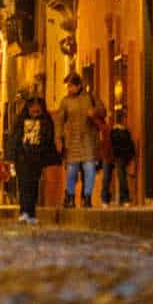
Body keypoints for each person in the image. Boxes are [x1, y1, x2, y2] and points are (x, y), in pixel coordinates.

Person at [55, 73, 106, 208]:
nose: (69, 89)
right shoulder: (65, 101)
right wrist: (58, 139)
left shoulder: (90, 98)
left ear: (78, 86)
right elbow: (59, 121)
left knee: (89, 169)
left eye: (71, 86)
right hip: (72, 141)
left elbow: (103, 110)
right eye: (68, 86)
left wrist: (94, 112)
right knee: (72, 171)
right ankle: (70, 197)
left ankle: (87, 197)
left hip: (89, 140)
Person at [6, 96, 60, 224]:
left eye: (37, 107)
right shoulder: (20, 121)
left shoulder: (46, 121)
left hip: (37, 159)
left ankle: (31, 212)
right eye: (33, 107)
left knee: (34, 185)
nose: (35, 109)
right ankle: (24, 211)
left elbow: (48, 140)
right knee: (24, 185)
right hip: (22, 159)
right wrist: (11, 157)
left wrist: (50, 156)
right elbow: (14, 139)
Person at [110, 117, 137, 206]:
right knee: (122, 177)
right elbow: (130, 144)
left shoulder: (114, 132)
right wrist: (131, 155)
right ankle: (124, 198)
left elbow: (112, 145)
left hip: (118, 157)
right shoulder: (125, 132)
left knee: (121, 177)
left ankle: (124, 198)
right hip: (124, 157)